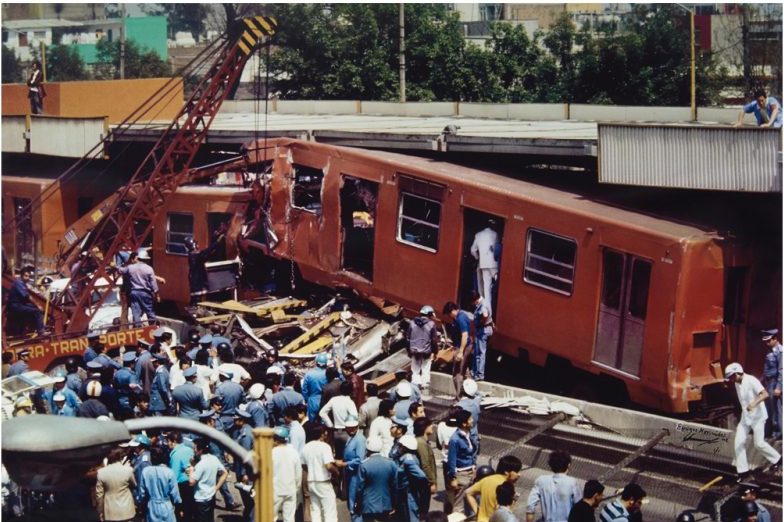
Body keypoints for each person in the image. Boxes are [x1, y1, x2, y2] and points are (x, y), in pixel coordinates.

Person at [724, 362, 782, 481]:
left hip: (758, 417)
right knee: (738, 443)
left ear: (738, 372)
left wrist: (753, 404)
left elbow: (765, 394)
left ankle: (778, 460)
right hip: (746, 417)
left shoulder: (751, 380)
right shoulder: (736, 383)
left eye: (732, 376)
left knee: (758, 443)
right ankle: (743, 473)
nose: (731, 379)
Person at [526, 450, 582, 522]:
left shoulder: (541, 480)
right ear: (568, 465)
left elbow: (530, 505)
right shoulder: (573, 482)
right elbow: (580, 508)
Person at [467, 455, 523, 522]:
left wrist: (478, 512)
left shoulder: (487, 479)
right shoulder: (505, 487)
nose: (519, 475)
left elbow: (468, 493)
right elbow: (505, 511)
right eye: (517, 471)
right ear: (506, 472)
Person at [302, 424, 340, 522]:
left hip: (311, 482)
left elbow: (304, 467)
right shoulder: (325, 447)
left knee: (315, 512)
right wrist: (337, 472)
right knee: (330, 513)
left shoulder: (305, 447)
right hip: (323, 481)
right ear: (322, 434)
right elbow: (328, 466)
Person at [356, 436, 398, 521]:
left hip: (368, 505)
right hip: (386, 504)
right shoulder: (391, 464)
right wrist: (394, 504)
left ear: (367, 449)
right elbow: (395, 486)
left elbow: (360, 488)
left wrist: (358, 504)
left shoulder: (364, 465)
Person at [445, 409, 477, 515]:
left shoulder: (469, 434)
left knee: (469, 502)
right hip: (461, 474)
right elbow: (452, 460)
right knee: (459, 504)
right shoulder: (455, 440)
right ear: (464, 423)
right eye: (470, 419)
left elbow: (473, 453)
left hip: (471, 472)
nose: (472, 421)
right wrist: (453, 478)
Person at [188, 438, 229, 522]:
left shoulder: (201, 464)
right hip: (211, 495)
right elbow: (225, 473)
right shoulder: (214, 458)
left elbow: (191, 482)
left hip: (201, 499)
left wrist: (191, 468)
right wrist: (216, 488)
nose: (193, 450)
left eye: (195, 448)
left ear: (200, 450)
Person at [139, 446, 182, 522]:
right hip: (166, 506)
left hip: (151, 507)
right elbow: (175, 495)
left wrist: (142, 510)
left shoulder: (145, 471)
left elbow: (142, 494)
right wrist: (179, 508)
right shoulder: (169, 472)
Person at [118, 249, 160, 326]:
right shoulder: (149, 269)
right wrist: (157, 295)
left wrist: (116, 266)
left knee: (136, 313)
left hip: (134, 293)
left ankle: (138, 328)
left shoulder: (130, 268)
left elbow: (121, 270)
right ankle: (153, 327)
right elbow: (154, 284)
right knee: (150, 312)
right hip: (146, 293)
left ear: (138, 258)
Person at [96, 447, 137, 522]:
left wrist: (101, 511)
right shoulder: (128, 470)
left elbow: (99, 495)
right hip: (127, 509)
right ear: (121, 458)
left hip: (110, 511)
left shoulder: (101, 472)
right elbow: (134, 485)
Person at [320, 380, 359, 459]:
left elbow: (322, 413)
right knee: (347, 457)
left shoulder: (334, 400)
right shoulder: (350, 402)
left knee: (338, 456)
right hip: (347, 432)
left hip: (336, 432)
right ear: (351, 391)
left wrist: (330, 425)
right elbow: (354, 417)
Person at [443, 301, 475, 398]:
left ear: (453, 311)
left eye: (449, 314)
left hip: (463, 347)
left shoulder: (460, 318)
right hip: (462, 345)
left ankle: (458, 397)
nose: (449, 316)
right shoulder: (459, 317)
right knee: (465, 371)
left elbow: (464, 335)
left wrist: (460, 352)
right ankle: (470, 394)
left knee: (457, 372)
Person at [183, 233, 225, 305]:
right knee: (195, 303)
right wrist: (217, 242)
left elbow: (207, 256)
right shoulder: (194, 255)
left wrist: (217, 249)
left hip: (198, 284)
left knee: (198, 302)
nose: (198, 246)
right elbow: (206, 252)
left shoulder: (195, 256)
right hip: (197, 285)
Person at [272, 425, 302, 522]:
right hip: (290, 490)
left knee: (271, 517)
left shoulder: (271, 453)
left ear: (276, 440)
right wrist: (296, 488)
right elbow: (298, 475)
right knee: (289, 518)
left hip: (275, 490)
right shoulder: (294, 453)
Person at [397, 435, 429, 522]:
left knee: (412, 517)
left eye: (400, 446)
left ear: (405, 448)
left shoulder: (408, 461)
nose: (399, 448)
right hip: (406, 493)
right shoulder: (409, 457)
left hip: (409, 494)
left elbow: (421, 476)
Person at [6, 266, 46, 335]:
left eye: (29, 276)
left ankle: (35, 327)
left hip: (18, 305)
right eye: (26, 276)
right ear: (21, 276)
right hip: (15, 306)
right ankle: (41, 331)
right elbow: (27, 296)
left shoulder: (22, 283)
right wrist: (38, 305)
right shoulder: (18, 283)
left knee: (34, 308)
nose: (28, 278)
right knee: (37, 311)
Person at [407, 305, 439, 391]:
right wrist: (435, 352)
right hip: (426, 352)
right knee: (425, 370)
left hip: (414, 351)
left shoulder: (412, 323)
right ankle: (424, 389)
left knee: (415, 371)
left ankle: (415, 388)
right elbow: (434, 340)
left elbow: (408, 339)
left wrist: (409, 351)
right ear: (429, 314)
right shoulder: (431, 324)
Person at [471, 219, 500, 314]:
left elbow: (473, 250)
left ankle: (488, 312)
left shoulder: (478, 235)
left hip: (483, 264)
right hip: (494, 264)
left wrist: (478, 257)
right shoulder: (495, 234)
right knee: (497, 284)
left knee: (486, 290)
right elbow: (497, 248)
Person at [342, 416, 366, 522]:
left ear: (357, 427)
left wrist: (345, 464)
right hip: (349, 474)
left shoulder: (360, 440)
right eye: (349, 427)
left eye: (353, 427)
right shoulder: (351, 437)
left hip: (356, 475)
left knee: (355, 502)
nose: (351, 430)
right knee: (351, 501)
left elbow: (360, 459)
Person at [167, 432, 195, 522]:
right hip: (192, 482)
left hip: (181, 487)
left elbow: (174, 476)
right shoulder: (189, 449)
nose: (167, 444)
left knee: (181, 514)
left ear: (174, 441)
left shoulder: (175, 455)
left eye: (168, 441)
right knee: (190, 511)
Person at [761, 329, 782, 440]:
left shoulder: (780, 352)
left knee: (776, 408)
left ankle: (778, 433)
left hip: (774, 382)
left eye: (768, 341)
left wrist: (779, 387)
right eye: (766, 341)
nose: (767, 343)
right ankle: (769, 432)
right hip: (768, 382)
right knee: (768, 408)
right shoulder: (770, 351)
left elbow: (781, 370)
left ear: (775, 339)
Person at [414, 417, 438, 514]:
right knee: (423, 511)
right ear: (424, 428)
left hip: (423, 482)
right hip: (424, 484)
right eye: (429, 425)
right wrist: (432, 482)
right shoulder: (421, 443)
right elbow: (425, 465)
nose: (432, 427)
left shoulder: (423, 442)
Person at [472, 290, 494, 381]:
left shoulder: (482, 305)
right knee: (480, 352)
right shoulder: (486, 301)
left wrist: (481, 323)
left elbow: (485, 315)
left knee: (480, 353)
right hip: (487, 329)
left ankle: (479, 374)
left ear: (476, 300)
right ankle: (476, 372)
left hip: (483, 330)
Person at [303, 353, 329, 422]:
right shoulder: (328, 373)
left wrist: (307, 399)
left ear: (316, 362)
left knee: (312, 423)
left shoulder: (309, 374)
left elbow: (304, 390)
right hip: (325, 401)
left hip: (312, 401)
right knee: (324, 423)